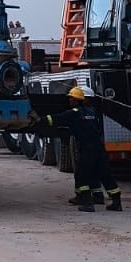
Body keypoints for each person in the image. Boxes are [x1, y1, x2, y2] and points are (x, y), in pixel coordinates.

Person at [40, 84, 121, 213]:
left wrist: (37, 120)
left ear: (78, 100)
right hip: (99, 149)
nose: (69, 100)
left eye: (71, 98)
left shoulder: (74, 113)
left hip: (87, 149)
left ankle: (87, 203)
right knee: (105, 174)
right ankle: (116, 202)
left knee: (82, 175)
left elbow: (56, 119)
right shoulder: (93, 112)